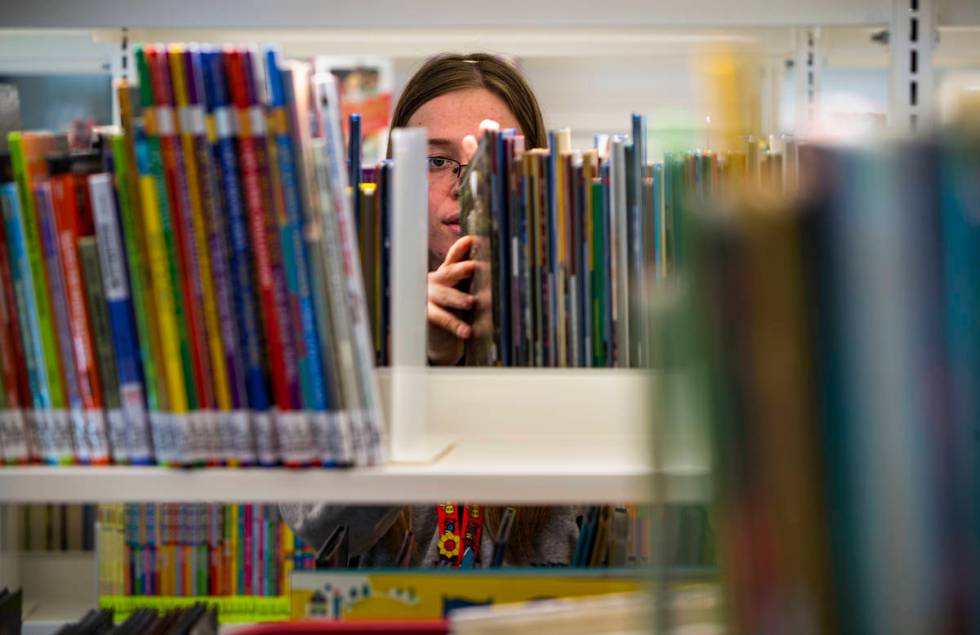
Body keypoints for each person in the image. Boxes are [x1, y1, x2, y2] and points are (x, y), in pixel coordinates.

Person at [280, 53, 581, 568]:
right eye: (437, 161)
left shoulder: (578, 320)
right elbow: (321, 527)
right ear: (396, 177)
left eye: (493, 160)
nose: (463, 187)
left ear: (535, 177)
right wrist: (413, 367)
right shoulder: (338, 319)